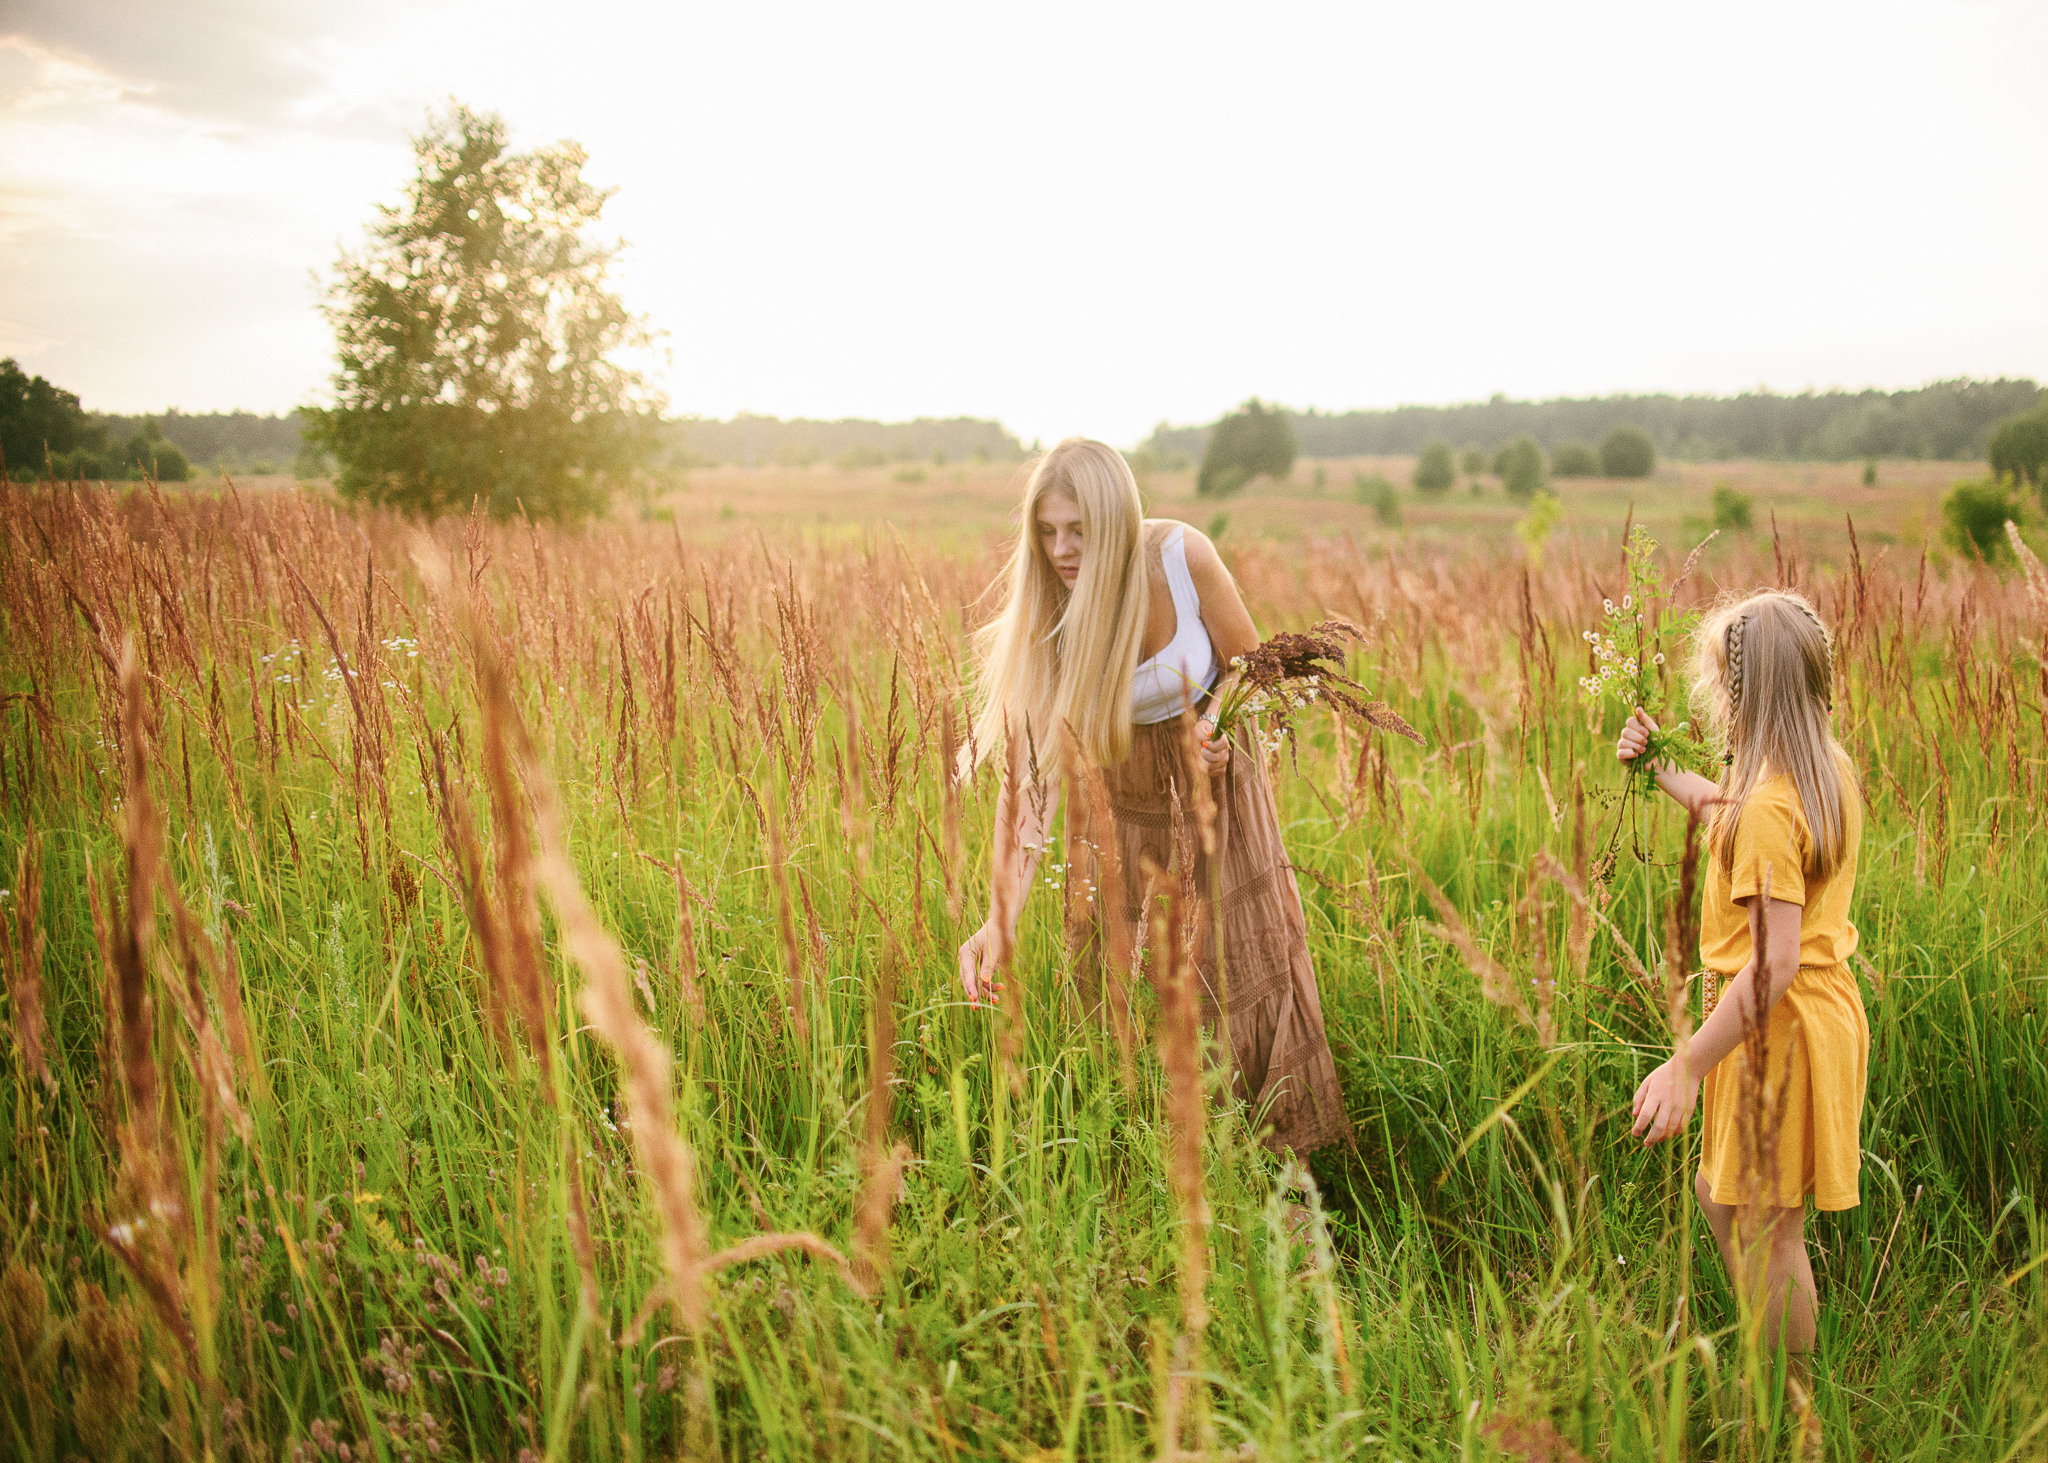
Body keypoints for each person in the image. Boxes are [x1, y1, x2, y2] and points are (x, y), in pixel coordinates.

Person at [956, 437, 1349, 1154]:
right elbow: (1032, 785)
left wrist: (1216, 722)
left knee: (1239, 975)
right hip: (1118, 810)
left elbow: (1252, 667)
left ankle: (1277, 1174)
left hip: (1214, 794)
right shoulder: (1050, 610)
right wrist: (998, 919)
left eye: (1077, 528)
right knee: (1130, 991)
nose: (1061, 549)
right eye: (1045, 531)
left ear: (1114, 519)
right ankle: (1160, 1167)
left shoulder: (1180, 558)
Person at [1620, 590, 1868, 1370]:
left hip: (1777, 1029)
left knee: (1768, 1224)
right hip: (1799, 1019)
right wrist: (1663, 765)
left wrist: (1686, 1063)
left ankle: (1788, 1398)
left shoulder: (1769, 805)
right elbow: (1729, 813)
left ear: (1740, 695)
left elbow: (1773, 962)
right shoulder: (1823, 769)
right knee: (1723, 1196)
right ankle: (1771, 1352)